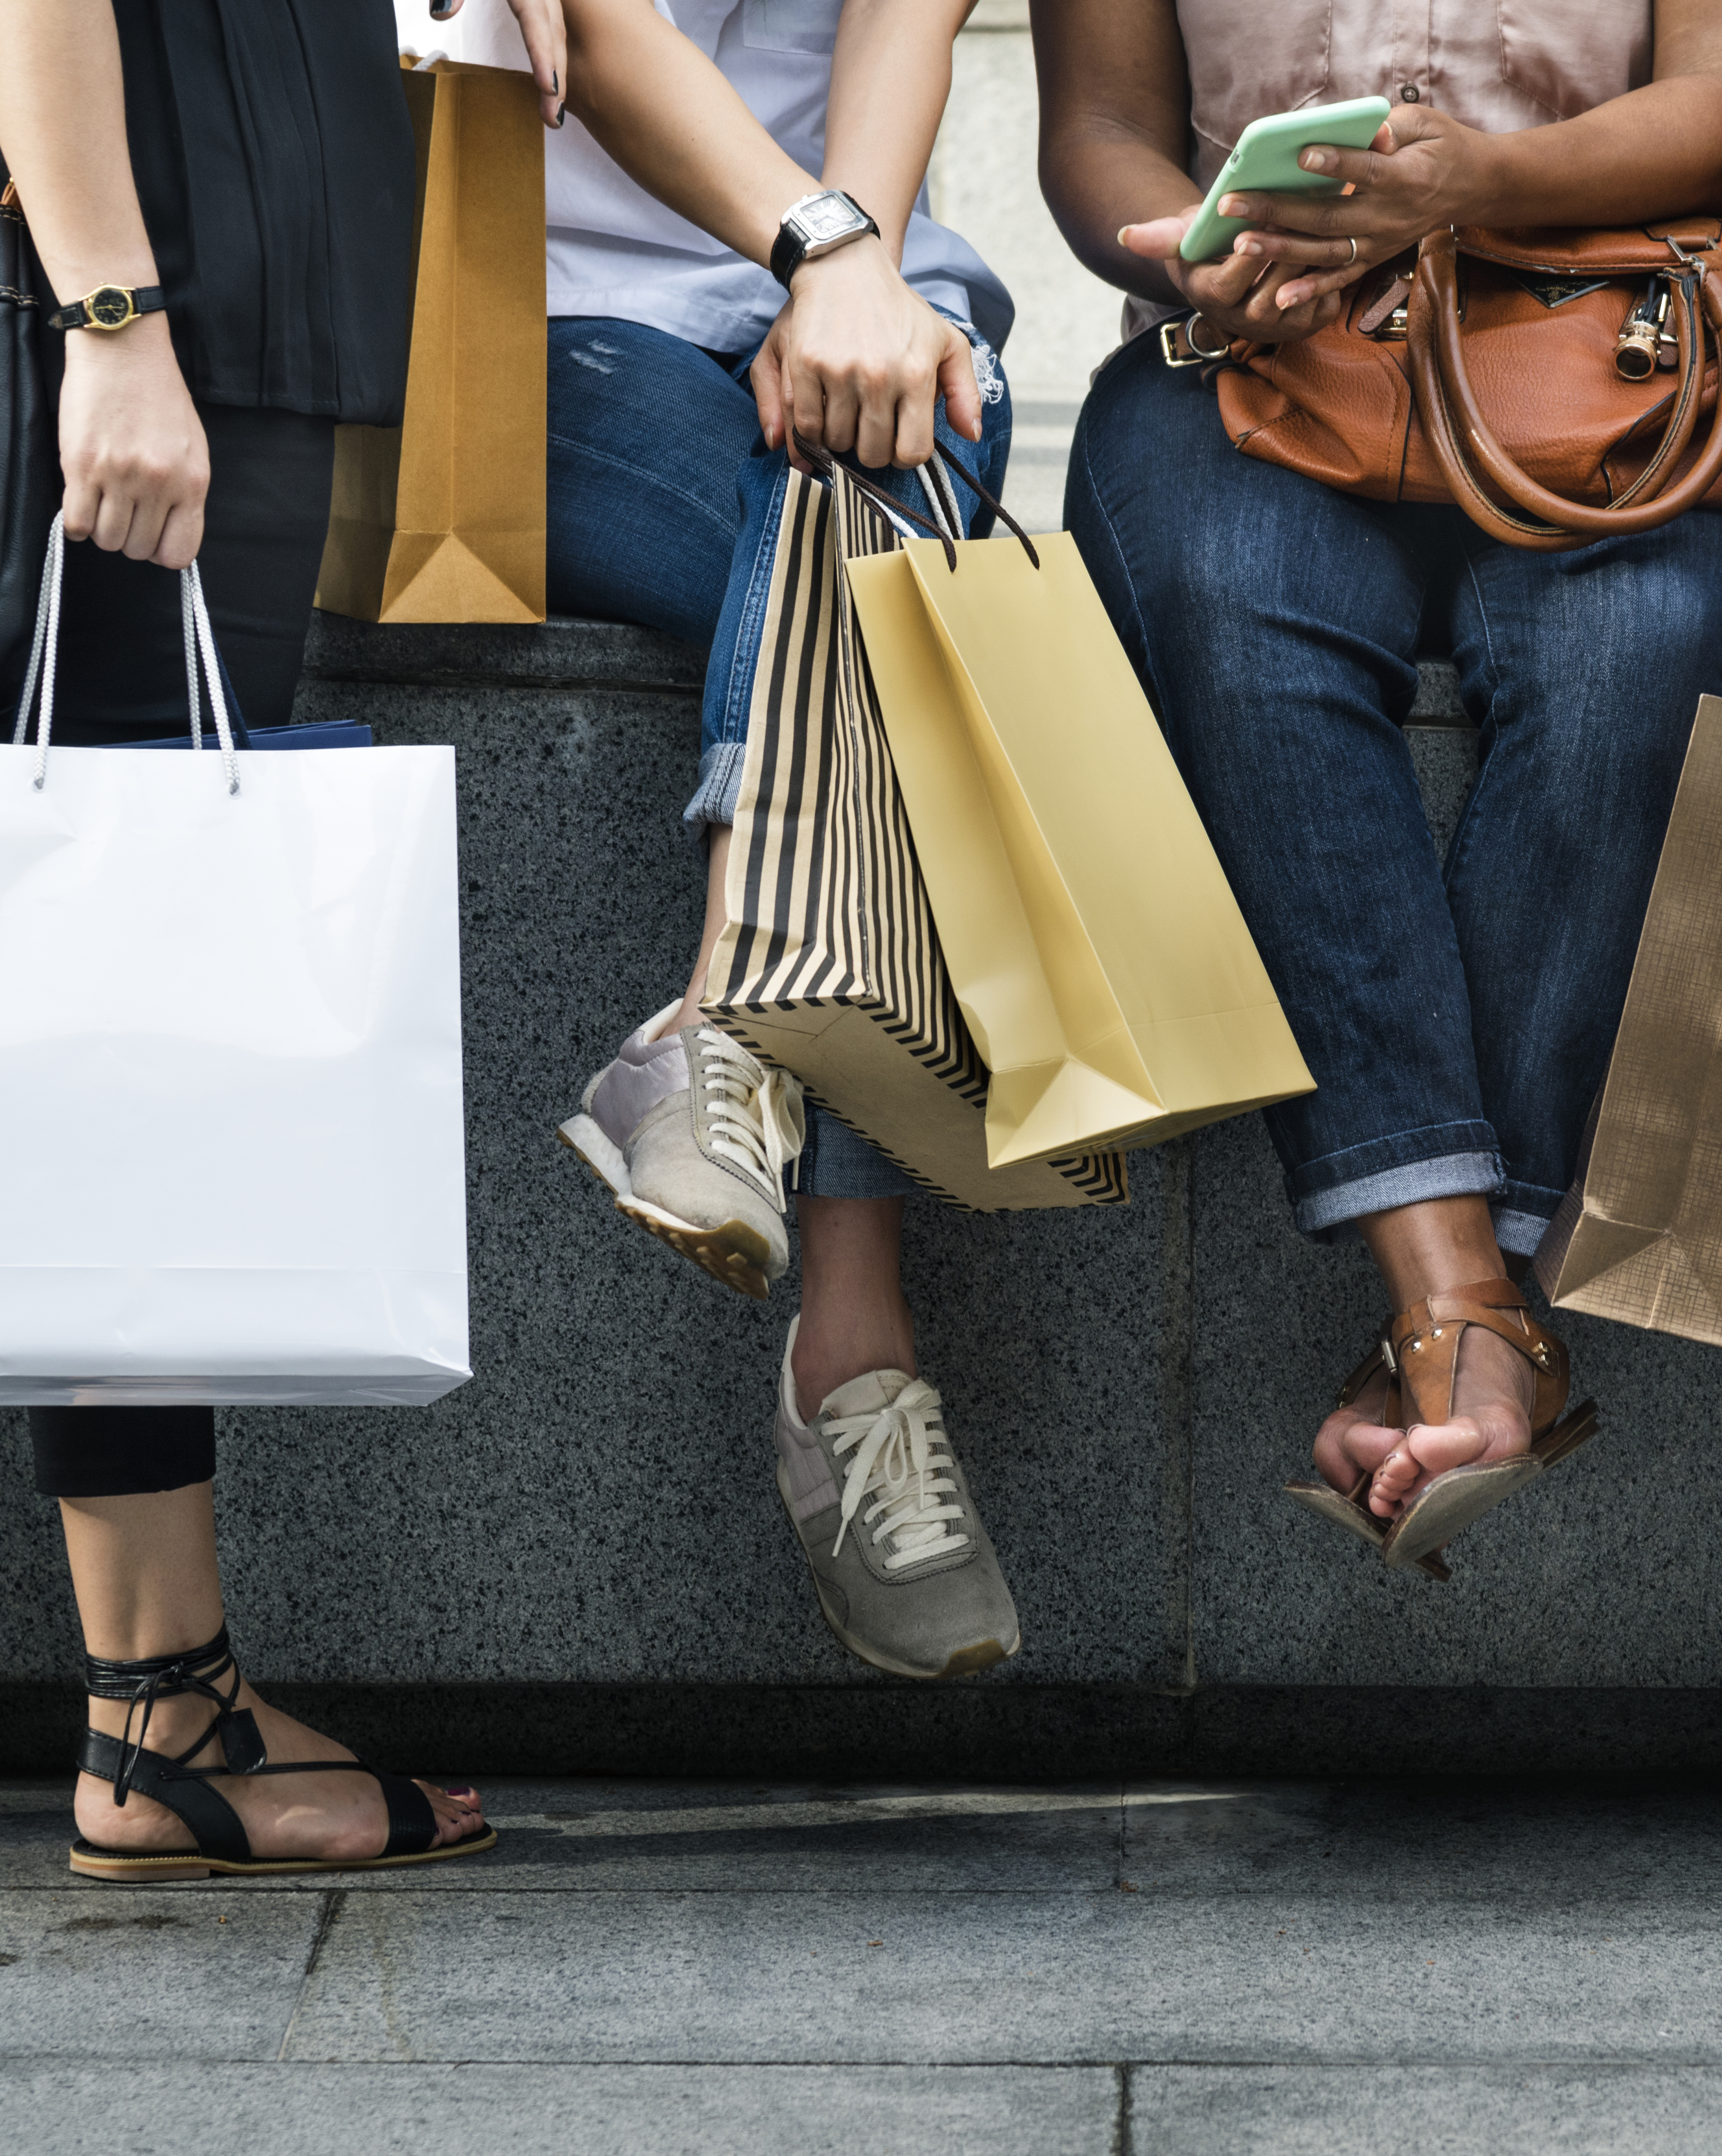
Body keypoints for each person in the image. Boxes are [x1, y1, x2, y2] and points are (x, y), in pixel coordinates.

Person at [0, 0, 553, 1873]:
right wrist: (112, 317)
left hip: (188, 274)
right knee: (66, 983)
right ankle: (161, 1709)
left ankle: (163, 1703)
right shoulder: (127, 305)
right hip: (138, 278)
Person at [1036, 0, 1722, 1575]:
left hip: (1617, 352)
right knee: (1237, 613)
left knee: (1642, 656)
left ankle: (1458, 1320)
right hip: (1252, 365)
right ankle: (1468, 1309)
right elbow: (1095, 123)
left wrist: (1479, 184)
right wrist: (1191, 248)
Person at [544, 0, 1024, 1681]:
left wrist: (857, 276)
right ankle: (853, 1354)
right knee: (892, 584)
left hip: (844, 281)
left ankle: (723, 1034)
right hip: (522, 311)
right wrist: (820, 249)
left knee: (878, 468)